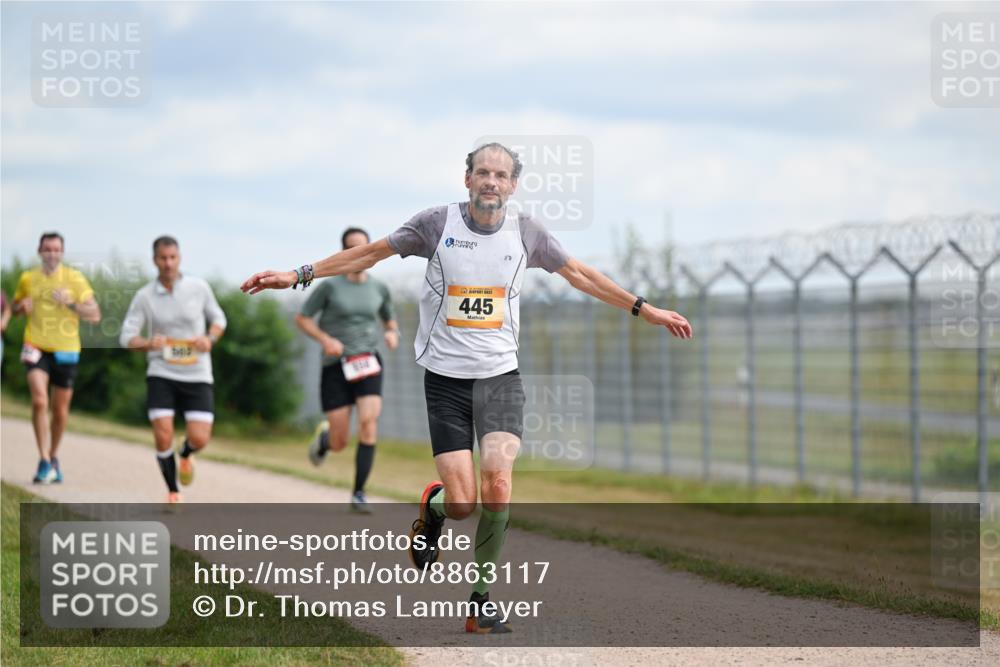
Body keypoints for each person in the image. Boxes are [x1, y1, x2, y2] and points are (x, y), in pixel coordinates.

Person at [241, 142, 693, 633]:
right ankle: (434, 509)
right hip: (446, 382)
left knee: (498, 486)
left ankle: (480, 601)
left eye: (501, 175)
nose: (491, 182)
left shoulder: (527, 232)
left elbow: (579, 274)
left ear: (513, 185)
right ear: (467, 179)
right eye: (483, 173)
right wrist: (297, 274)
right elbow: (371, 252)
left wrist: (642, 308)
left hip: (500, 378)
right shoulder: (436, 225)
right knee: (463, 504)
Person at [296, 227, 399, 514]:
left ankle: (358, 492)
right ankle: (326, 439)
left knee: (368, 424)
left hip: (368, 362)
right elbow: (302, 318)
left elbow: (389, 321)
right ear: (343, 253)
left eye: (364, 248)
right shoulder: (330, 286)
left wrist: (392, 334)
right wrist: (325, 339)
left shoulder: (378, 288)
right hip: (336, 366)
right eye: (352, 249)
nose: (359, 254)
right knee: (341, 441)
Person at [120, 236, 227, 503]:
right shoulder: (144, 296)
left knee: (200, 438)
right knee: (162, 432)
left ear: (179, 258)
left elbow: (219, 320)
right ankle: (173, 491)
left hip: (197, 371)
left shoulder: (198, 287)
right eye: (162, 258)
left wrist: (209, 338)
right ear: (154, 260)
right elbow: (126, 336)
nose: (168, 263)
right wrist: (147, 343)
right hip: (161, 372)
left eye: (172, 257)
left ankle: (187, 453)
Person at [13, 232, 101, 484]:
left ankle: (53, 458)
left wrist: (72, 303)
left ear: (62, 252)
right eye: (47, 249)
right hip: (35, 346)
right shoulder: (28, 278)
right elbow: (16, 308)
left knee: (60, 411)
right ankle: (43, 459)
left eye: (56, 249)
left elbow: (95, 315)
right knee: (40, 400)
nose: (51, 253)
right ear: (39, 251)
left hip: (66, 349)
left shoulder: (74, 279)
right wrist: (21, 308)